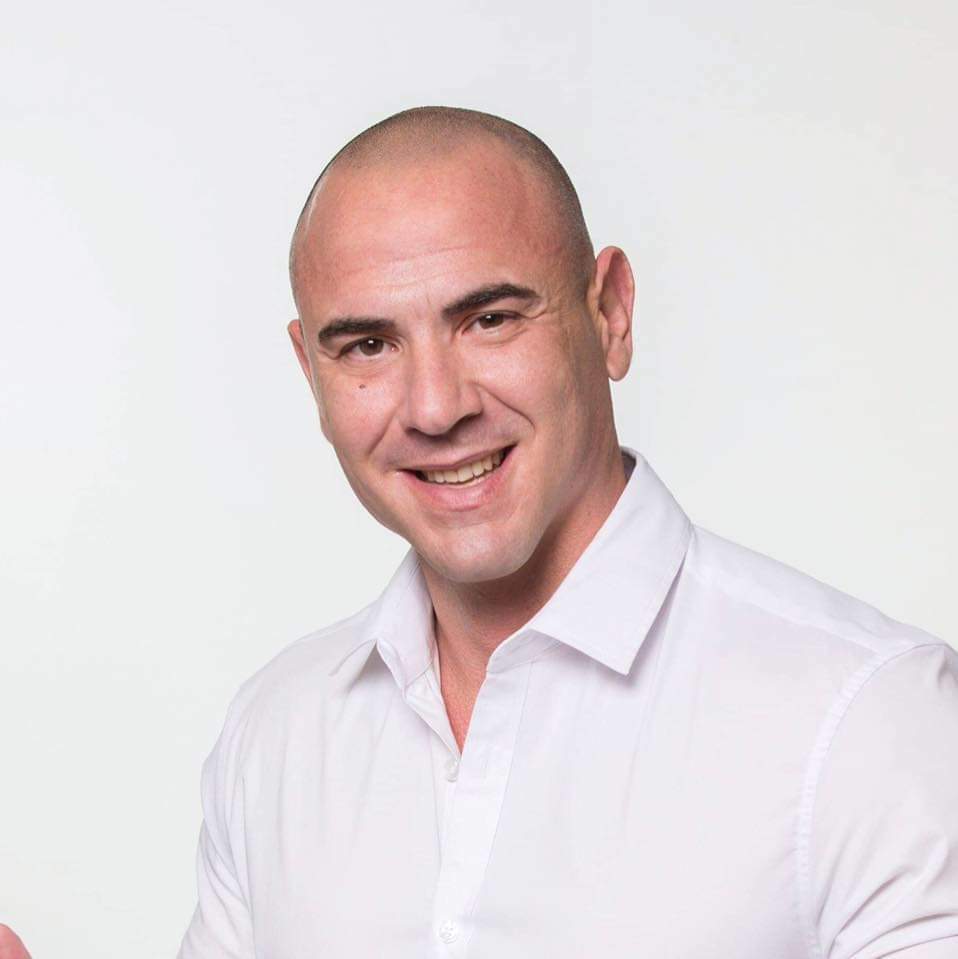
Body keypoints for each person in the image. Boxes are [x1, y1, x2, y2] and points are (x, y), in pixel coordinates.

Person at [6, 106, 956, 958]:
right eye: (368, 344)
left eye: (490, 318)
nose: (435, 406)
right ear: (310, 372)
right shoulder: (278, 733)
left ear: (610, 313)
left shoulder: (871, 721)